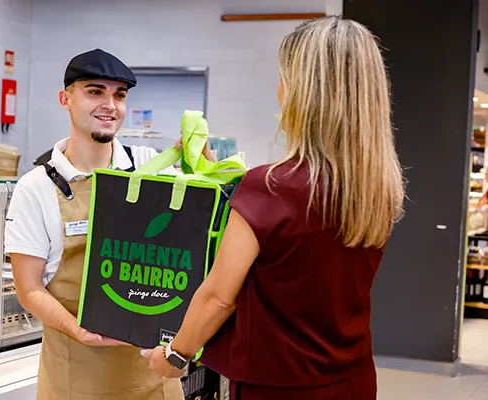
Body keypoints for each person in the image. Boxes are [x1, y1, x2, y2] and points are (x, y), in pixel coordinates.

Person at [141, 16, 405, 400]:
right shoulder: (375, 188)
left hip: (278, 386)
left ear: (304, 92)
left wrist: (176, 355)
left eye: (284, 77)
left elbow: (218, 297)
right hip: (352, 379)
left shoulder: (271, 187)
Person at [5, 48, 195, 399]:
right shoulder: (36, 188)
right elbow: (29, 290)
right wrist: (80, 331)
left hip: (154, 378)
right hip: (77, 375)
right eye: (95, 92)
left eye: (119, 95)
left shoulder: (150, 168)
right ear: (66, 98)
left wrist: (202, 168)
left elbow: (192, 241)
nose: (110, 104)